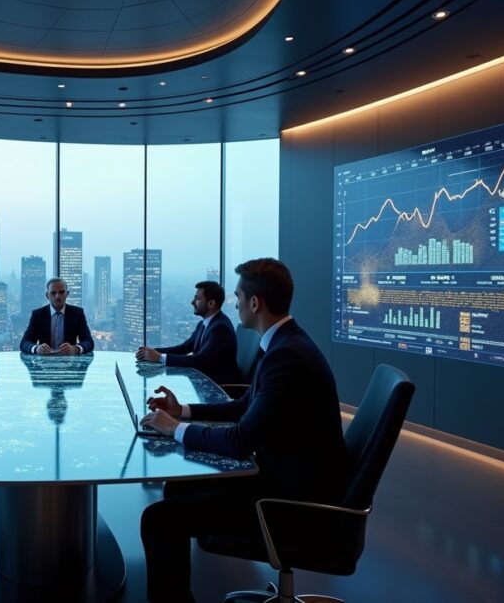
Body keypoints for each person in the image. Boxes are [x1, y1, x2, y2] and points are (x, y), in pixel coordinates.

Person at [138, 258, 348, 603]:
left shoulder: (287, 357)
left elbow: (240, 440)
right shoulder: (284, 344)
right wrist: (184, 412)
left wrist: (175, 429)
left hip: (287, 500)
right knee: (177, 488)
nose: (233, 304)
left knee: (158, 521)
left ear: (255, 303)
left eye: (237, 296)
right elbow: (243, 406)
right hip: (284, 473)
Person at [135, 280, 242, 385]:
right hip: (202, 381)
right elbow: (183, 348)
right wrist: (151, 352)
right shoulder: (203, 324)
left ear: (211, 303)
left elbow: (199, 361)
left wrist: (159, 357)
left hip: (218, 387)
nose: (192, 302)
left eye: (197, 298)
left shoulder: (220, 328)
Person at [19, 277, 94, 355]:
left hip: (69, 362)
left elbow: (88, 342)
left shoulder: (77, 313)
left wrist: (75, 349)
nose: (57, 296)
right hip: (44, 363)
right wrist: (36, 348)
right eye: (53, 293)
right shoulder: (38, 315)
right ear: (47, 295)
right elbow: (24, 343)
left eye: (61, 292)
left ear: (67, 294)